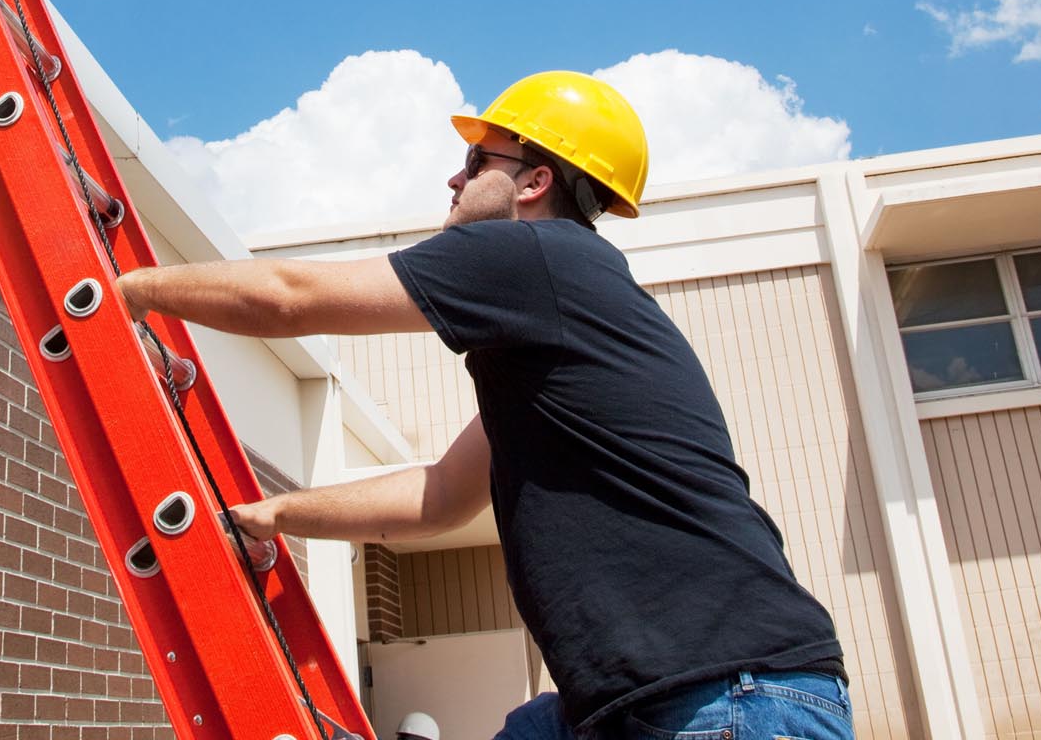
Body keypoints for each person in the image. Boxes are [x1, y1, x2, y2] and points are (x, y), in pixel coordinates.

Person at [114, 72, 850, 740]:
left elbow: (288, 298)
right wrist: (279, 514)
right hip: (677, 693)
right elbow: (438, 496)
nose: (454, 178)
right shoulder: (560, 324)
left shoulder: (536, 257)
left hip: (723, 697)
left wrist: (130, 291)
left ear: (533, 181)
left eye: (475, 163)